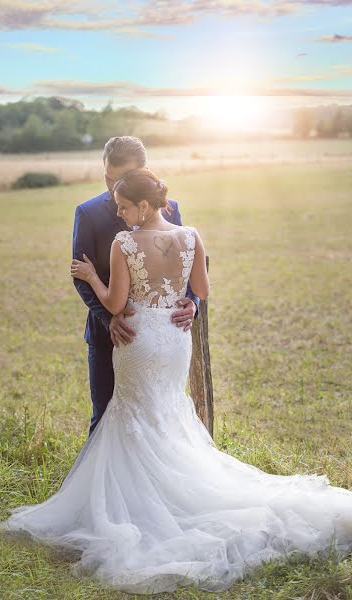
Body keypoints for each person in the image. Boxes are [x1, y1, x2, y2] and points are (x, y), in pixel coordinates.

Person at [0, 169, 352, 595]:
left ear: (144, 205)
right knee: (166, 411)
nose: (120, 214)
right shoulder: (191, 235)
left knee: (136, 415)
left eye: (124, 206)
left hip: (140, 341)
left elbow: (115, 303)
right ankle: (166, 491)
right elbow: (201, 289)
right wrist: (184, 304)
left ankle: (146, 504)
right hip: (176, 340)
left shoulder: (123, 243)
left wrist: (91, 276)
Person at [72, 136, 199, 435]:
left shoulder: (170, 209)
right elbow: (81, 276)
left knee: (160, 417)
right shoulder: (87, 213)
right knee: (105, 418)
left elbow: (188, 261)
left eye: (122, 179)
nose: (112, 186)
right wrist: (110, 319)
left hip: (162, 338)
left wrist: (192, 301)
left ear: (144, 172)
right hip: (108, 336)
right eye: (107, 177)